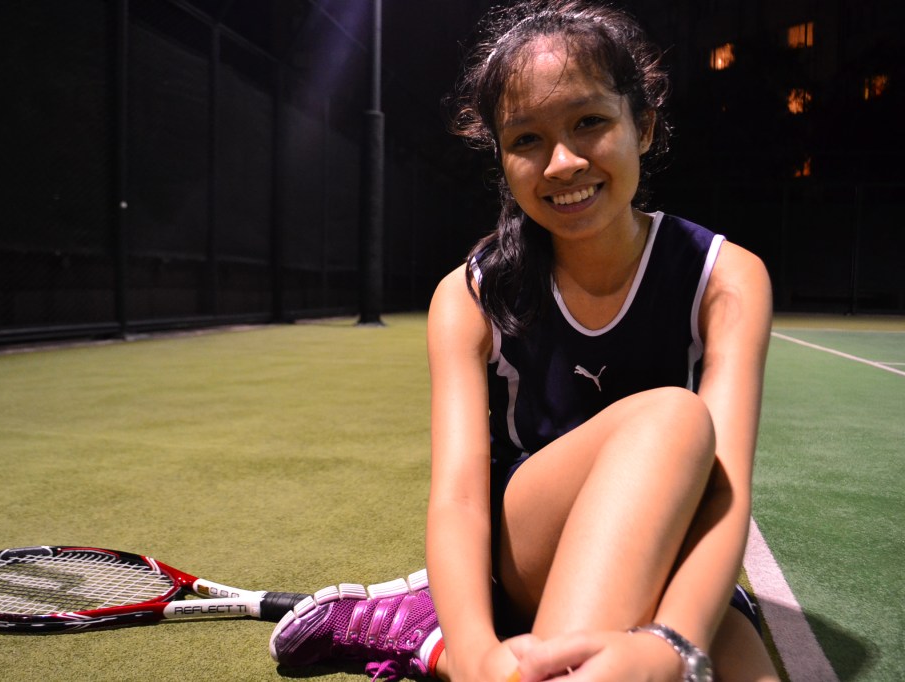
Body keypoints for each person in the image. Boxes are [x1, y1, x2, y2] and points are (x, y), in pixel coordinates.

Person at [268, 1, 777, 680]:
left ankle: (428, 640)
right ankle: (457, 637)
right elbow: (457, 497)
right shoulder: (471, 295)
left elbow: (726, 493)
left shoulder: (726, 277)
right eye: (527, 139)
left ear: (644, 126)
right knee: (675, 417)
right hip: (523, 558)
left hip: (668, 543)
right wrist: (480, 654)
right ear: (502, 157)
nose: (563, 162)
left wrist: (670, 645)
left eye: (589, 122)